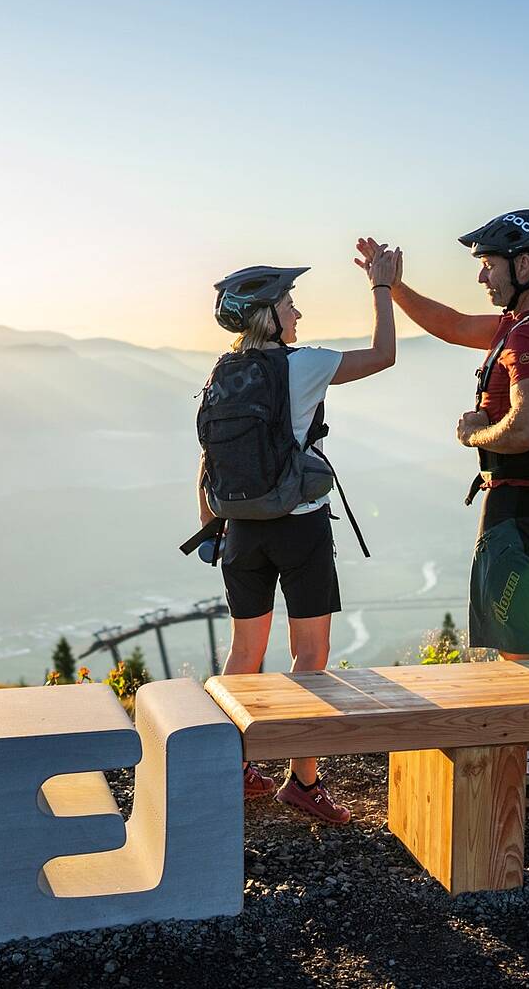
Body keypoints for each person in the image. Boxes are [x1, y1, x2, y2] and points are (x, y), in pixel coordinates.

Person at [357, 210, 529, 802]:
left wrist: (475, 433)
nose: (481, 276)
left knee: (515, 649)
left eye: (490, 264)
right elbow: (449, 324)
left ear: (525, 265)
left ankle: (516, 776)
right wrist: (391, 286)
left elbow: (527, 427)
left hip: (514, 512)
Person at [197, 248, 401, 824]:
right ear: (267, 315)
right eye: (289, 304)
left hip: (239, 528)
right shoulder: (302, 365)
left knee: (244, 652)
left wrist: (211, 526)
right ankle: (303, 781)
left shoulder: (222, 373)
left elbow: (208, 458)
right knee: (309, 655)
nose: (298, 314)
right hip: (299, 522)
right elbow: (383, 355)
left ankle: (232, 767)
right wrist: (382, 288)